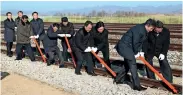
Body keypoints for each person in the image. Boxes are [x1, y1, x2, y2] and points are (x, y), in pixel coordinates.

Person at [115, 18, 156, 91]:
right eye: (151, 28)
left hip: (129, 47)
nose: (151, 30)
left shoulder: (144, 29)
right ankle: (137, 86)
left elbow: (141, 42)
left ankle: (118, 80)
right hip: (124, 47)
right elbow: (135, 42)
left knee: (128, 64)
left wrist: (140, 51)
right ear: (147, 25)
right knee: (133, 64)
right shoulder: (139, 30)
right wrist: (136, 52)